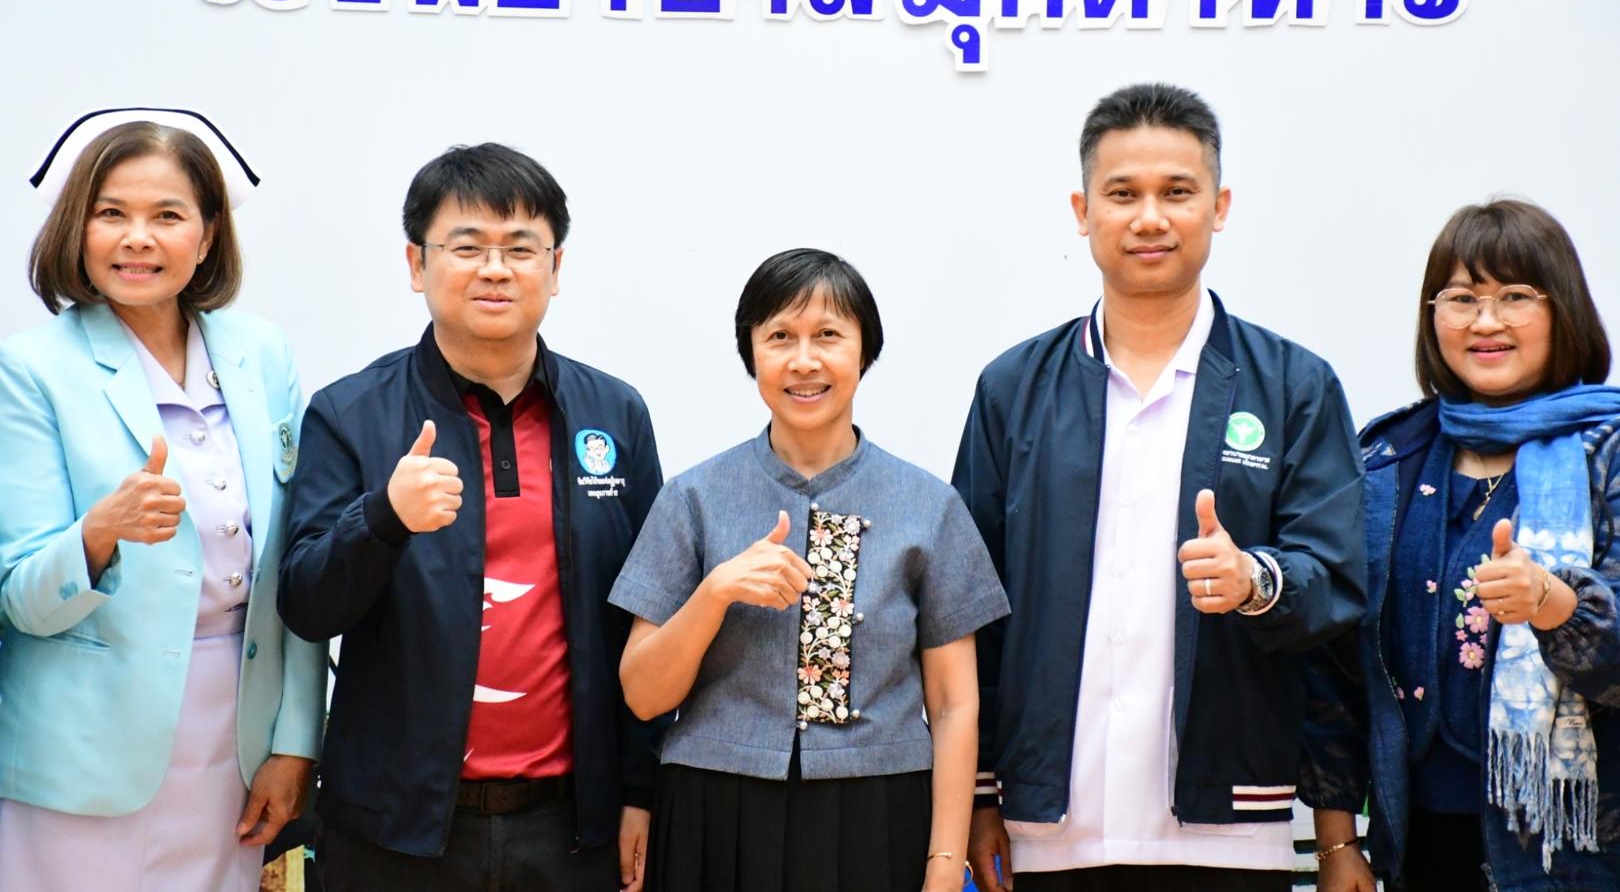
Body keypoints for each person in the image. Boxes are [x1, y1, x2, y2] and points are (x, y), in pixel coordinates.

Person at [954, 83, 1366, 891]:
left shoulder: (1294, 385)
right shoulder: (1014, 389)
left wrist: (1255, 581)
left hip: (1230, 827)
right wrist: (980, 794)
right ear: (1083, 211)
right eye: (1123, 194)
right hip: (1049, 828)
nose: (1150, 218)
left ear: (1219, 206)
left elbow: (1337, 590)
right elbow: (973, 611)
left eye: (1177, 192)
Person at [278, 142, 664, 892]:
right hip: (395, 833)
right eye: (467, 247)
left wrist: (639, 790)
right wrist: (383, 518)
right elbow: (305, 605)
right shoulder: (350, 413)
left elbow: (648, 617)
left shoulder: (614, 414)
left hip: (572, 829)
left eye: (520, 248)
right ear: (417, 265)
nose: (495, 269)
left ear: (555, 268)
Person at [610, 248, 1009, 892]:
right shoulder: (692, 498)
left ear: (864, 350)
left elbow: (955, 703)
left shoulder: (929, 506)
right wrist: (714, 593)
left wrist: (944, 861)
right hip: (717, 809)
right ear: (751, 354)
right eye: (779, 337)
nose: (803, 360)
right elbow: (643, 695)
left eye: (828, 335)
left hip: (881, 806)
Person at [0, 110, 326, 891]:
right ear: (77, 229)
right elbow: (21, 599)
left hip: (238, 742)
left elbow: (299, 565)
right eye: (111, 213)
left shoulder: (261, 352)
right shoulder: (30, 370)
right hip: (83, 752)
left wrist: (295, 742)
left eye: (167, 216)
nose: (137, 238)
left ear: (208, 236)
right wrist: (99, 533)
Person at [1303, 199, 1620, 892]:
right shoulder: (1387, 456)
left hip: (1579, 850)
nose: (1486, 321)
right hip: (1417, 842)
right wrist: (1336, 843)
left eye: (1515, 296)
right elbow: (1335, 666)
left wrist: (1556, 605)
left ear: (1564, 309)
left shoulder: (1610, 452)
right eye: (1461, 298)